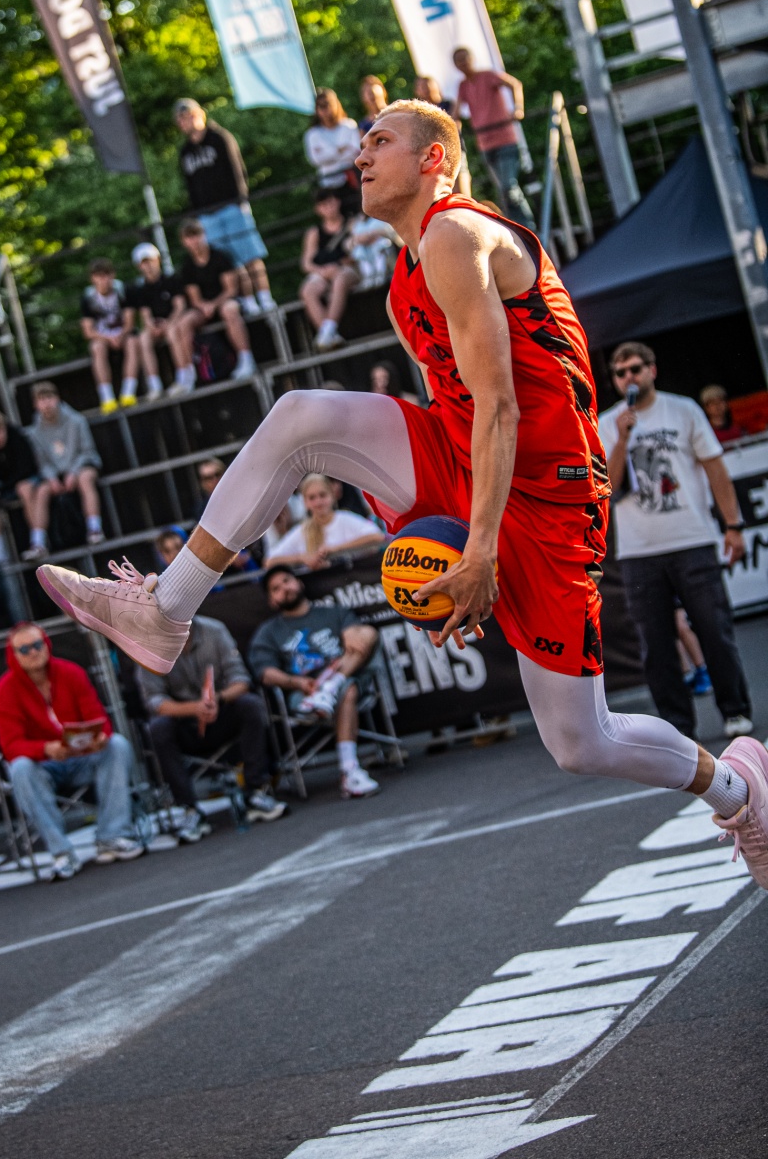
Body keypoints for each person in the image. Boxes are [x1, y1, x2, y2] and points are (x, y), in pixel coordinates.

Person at [38, 97, 768, 896]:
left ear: (432, 159)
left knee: (580, 742)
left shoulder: (459, 233)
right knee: (300, 417)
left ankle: (740, 791)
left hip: (548, 493)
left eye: (378, 140)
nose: (359, 156)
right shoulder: (400, 286)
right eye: (360, 144)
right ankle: (166, 609)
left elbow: (501, 405)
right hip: (463, 454)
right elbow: (453, 413)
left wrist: (479, 550)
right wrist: (440, 549)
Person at [600, 341, 753, 741]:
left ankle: (735, 709)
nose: (629, 378)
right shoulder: (607, 422)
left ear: (652, 370)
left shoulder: (683, 410)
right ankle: (677, 727)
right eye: (620, 373)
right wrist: (621, 439)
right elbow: (607, 487)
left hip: (691, 540)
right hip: (638, 551)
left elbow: (715, 469)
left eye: (635, 369)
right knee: (655, 644)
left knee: (714, 629)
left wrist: (733, 525)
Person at [0, 623, 145, 879]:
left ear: (46, 644)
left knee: (117, 745)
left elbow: (99, 719)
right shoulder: (6, 689)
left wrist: (99, 738)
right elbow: (11, 746)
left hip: (82, 757)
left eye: (37, 645)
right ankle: (61, 852)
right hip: (44, 766)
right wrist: (45, 749)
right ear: (13, 655)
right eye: (24, 649)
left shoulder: (70, 672)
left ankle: (113, 835)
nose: (33, 652)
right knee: (20, 769)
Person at [139, 614, 286, 838]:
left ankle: (256, 790)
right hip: (184, 724)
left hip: (221, 713)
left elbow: (241, 680)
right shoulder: (146, 644)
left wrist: (218, 699)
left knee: (250, 705)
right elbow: (154, 701)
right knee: (158, 728)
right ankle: (188, 808)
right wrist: (194, 708)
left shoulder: (215, 630)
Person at [249, 566, 380, 799]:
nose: (284, 589)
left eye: (287, 581)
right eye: (276, 588)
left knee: (366, 635)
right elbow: (265, 673)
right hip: (305, 692)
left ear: (299, 583)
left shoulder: (332, 612)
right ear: (271, 600)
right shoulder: (268, 632)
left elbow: (359, 639)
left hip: (342, 671)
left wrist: (352, 635)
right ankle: (349, 770)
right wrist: (299, 683)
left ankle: (331, 687)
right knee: (347, 688)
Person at [173, 99, 275, 315]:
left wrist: (241, 201)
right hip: (207, 216)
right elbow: (190, 186)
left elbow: (237, 170)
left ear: (200, 115)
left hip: (231, 207)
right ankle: (248, 301)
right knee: (230, 263)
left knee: (250, 254)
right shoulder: (185, 153)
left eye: (189, 116)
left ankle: (265, 298)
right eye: (181, 119)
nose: (186, 122)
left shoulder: (219, 138)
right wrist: (197, 214)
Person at [453, 48, 535, 230]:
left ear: (472, 58)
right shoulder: (463, 86)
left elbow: (514, 84)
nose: (463, 63)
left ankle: (528, 228)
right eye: (458, 60)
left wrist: (518, 108)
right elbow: (456, 113)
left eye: (464, 58)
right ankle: (516, 229)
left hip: (505, 139)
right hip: (485, 144)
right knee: (504, 191)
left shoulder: (488, 75)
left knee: (508, 187)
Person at [177, 219, 257, 382]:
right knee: (183, 323)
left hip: (226, 301)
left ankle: (246, 358)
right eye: (189, 237)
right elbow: (194, 298)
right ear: (183, 241)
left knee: (229, 310)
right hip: (204, 309)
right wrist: (204, 306)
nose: (194, 241)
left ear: (203, 235)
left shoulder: (220, 256)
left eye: (196, 235)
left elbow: (231, 290)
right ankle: (188, 372)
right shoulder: (187, 266)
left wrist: (213, 305)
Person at [28, 381, 105, 544]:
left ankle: (94, 529)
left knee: (85, 479)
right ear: (35, 404)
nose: (46, 404)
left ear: (57, 399)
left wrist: (74, 472)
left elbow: (87, 451)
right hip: (56, 474)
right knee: (41, 491)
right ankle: (38, 542)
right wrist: (52, 478)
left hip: (83, 465)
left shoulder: (77, 420)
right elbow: (41, 462)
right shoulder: (34, 432)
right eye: (41, 400)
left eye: (49, 398)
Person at [266, 473, 384, 569]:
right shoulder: (302, 531)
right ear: (305, 502)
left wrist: (336, 549)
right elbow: (270, 561)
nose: (318, 502)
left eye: (322, 495)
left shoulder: (344, 518)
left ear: (332, 496)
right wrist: (302, 558)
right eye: (312, 498)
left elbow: (377, 536)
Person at [0, 409, 47, 562]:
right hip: (5, 488)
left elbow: (25, 471)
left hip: (26, 482)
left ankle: (38, 542)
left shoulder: (17, 439)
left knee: (24, 488)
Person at [132, 243, 196, 399]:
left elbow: (180, 306)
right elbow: (145, 314)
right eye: (144, 263)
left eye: (150, 261)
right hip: (158, 326)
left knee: (173, 331)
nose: (148, 266)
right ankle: (154, 385)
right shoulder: (140, 289)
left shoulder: (171, 279)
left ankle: (184, 377)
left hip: (174, 321)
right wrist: (152, 326)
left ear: (158, 260)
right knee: (143, 338)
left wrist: (169, 323)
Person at [299, 190, 358, 351]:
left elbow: (358, 254)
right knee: (308, 290)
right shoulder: (314, 233)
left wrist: (337, 265)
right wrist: (322, 271)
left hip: (348, 270)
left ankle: (327, 332)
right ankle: (330, 334)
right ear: (317, 209)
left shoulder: (352, 224)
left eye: (330, 202)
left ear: (337, 202)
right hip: (323, 272)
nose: (328, 208)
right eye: (323, 205)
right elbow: (306, 263)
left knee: (340, 280)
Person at [80, 257, 140, 412]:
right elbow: (88, 331)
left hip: (123, 333)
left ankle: (128, 393)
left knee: (133, 343)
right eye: (99, 276)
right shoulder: (88, 298)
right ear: (92, 278)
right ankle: (107, 398)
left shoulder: (123, 290)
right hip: (103, 337)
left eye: (106, 275)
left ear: (113, 275)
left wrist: (120, 335)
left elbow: (129, 322)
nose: (104, 280)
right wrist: (108, 338)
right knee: (96, 348)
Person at [414, 75, 471, 196]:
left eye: (427, 85)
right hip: (434, 157)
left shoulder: (448, 105)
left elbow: (455, 124)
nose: (425, 89)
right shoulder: (419, 115)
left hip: (454, 152)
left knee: (462, 193)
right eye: (421, 86)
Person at [303, 89, 362, 206]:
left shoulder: (349, 126)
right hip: (329, 185)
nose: (325, 109)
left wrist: (327, 154)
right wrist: (340, 150)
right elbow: (316, 160)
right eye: (320, 106)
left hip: (352, 180)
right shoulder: (312, 134)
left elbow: (355, 153)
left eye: (327, 104)